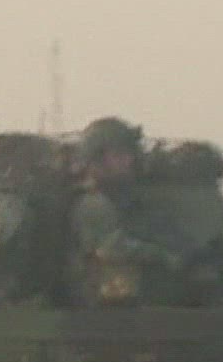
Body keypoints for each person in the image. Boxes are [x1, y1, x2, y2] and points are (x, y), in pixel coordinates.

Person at [69, 117, 185, 305]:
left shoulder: (133, 200)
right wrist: (162, 255)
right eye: (118, 154)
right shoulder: (91, 202)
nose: (128, 160)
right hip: (99, 303)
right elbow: (111, 247)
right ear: (96, 160)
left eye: (127, 153)